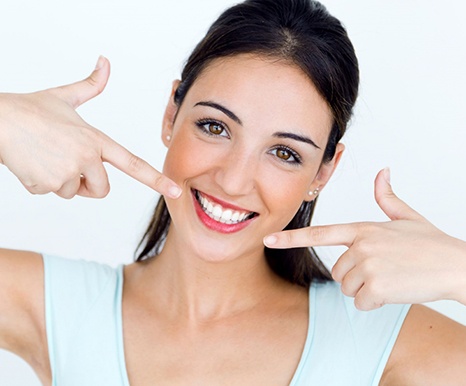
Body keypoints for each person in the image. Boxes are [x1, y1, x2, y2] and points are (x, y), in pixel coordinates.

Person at [0, 0, 465, 385]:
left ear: (323, 172)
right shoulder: (59, 307)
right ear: (170, 114)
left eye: (284, 153)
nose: (234, 181)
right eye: (214, 126)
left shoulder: (376, 340)